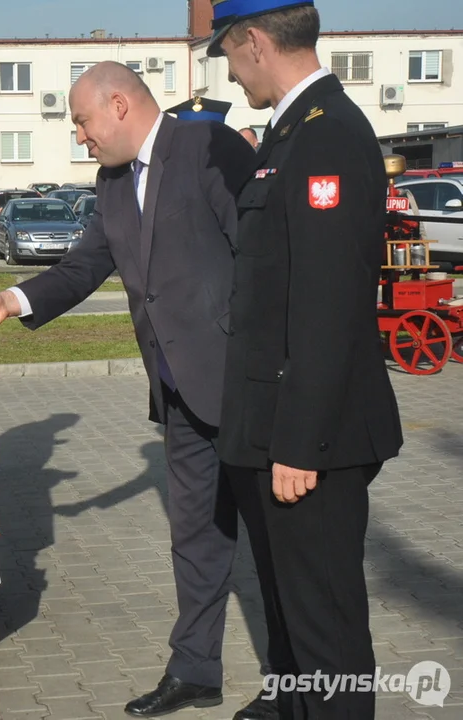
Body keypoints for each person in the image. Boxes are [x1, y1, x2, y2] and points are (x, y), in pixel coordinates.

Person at [0, 62, 293, 720]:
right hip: (177, 394)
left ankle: (293, 687)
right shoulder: (113, 184)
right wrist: (10, 297)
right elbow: (88, 264)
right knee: (195, 539)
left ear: (119, 105)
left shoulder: (207, 148)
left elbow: (262, 261)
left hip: (241, 388)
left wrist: (279, 379)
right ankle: (195, 668)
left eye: (82, 123)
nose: (81, 138)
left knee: (276, 547)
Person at [208, 0, 404, 717]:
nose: (231, 74)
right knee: (295, 620)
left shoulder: (326, 137)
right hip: (281, 430)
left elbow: (326, 307)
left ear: (254, 41)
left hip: (307, 439)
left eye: (228, 54)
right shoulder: (293, 131)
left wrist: (299, 442)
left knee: (327, 635)